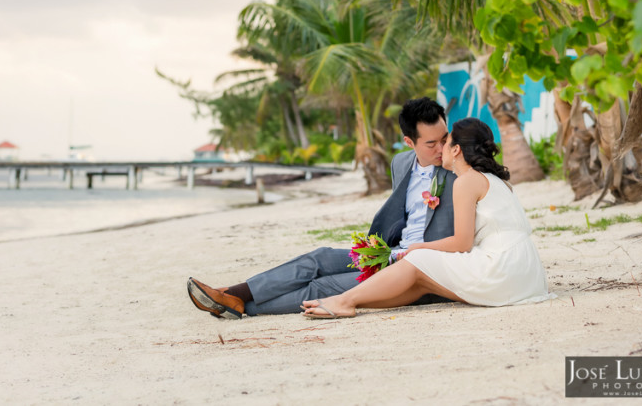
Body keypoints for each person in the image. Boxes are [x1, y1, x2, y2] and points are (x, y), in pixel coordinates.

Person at [187, 97, 457, 319]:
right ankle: (234, 293)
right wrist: (380, 248)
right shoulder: (401, 162)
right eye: (431, 143)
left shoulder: (458, 170)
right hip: (388, 252)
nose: (441, 147)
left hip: (417, 267)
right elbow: (400, 215)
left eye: (444, 138)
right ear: (410, 142)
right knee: (320, 258)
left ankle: (235, 302)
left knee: (320, 286)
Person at [300, 117, 553, 319]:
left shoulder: (466, 181)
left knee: (421, 257)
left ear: (456, 150)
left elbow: (462, 244)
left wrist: (418, 247)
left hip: (501, 270)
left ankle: (344, 300)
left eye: (446, 142)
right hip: (528, 275)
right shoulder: (497, 181)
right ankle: (353, 301)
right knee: (422, 281)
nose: (439, 148)